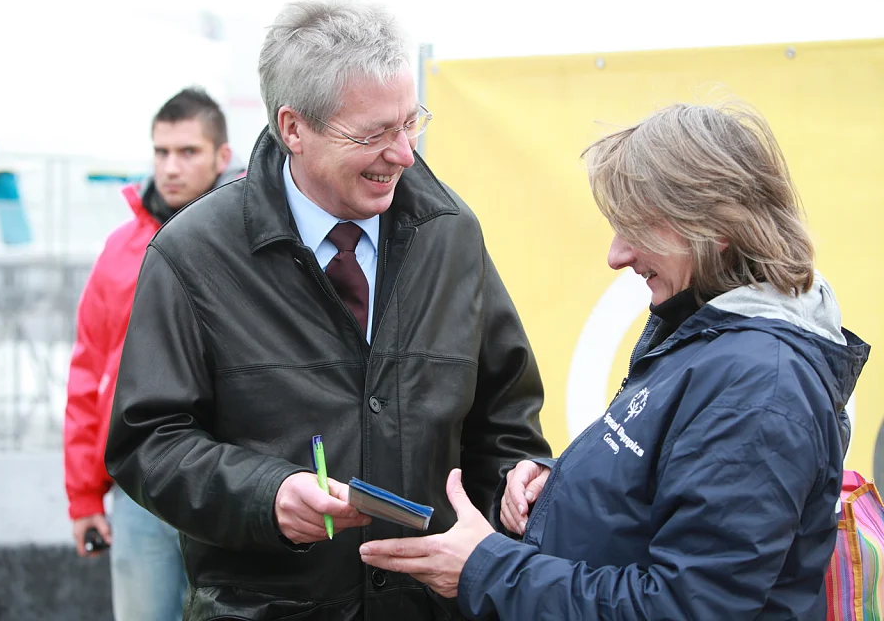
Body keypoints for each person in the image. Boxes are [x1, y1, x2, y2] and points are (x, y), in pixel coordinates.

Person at [103, 0, 550, 621]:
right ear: (294, 129)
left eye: (409, 123)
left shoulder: (452, 235)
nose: (402, 153)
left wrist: (518, 479)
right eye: (373, 134)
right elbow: (148, 442)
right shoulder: (193, 255)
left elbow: (504, 421)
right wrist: (268, 495)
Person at [359, 102, 871, 620]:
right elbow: (668, 494)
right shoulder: (712, 340)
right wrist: (555, 487)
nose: (617, 254)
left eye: (637, 229)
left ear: (715, 227)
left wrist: (485, 570)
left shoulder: (760, 387)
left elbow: (682, 608)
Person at [64, 87, 243, 620]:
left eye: (188, 152)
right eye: (161, 151)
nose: (171, 167)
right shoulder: (119, 250)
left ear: (221, 157)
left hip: (228, 481)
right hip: (138, 487)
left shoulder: (255, 245)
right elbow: (88, 373)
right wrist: (83, 498)